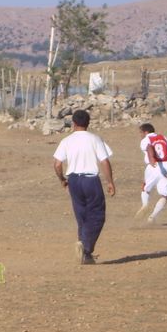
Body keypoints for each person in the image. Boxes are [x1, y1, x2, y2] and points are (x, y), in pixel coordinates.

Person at [53, 110, 116, 265]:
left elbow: (57, 164)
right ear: (88, 123)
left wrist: (62, 179)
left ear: (73, 124)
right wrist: (110, 182)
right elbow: (104, 161)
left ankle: (84, 253)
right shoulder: (95, 139)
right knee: (97, 215)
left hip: (73, 180)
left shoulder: (66, 141)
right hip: (90, 180)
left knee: (81, 216)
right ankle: (85, 248)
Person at [136, 123, 167, 224]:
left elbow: (149, 147)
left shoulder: (146, 139)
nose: (140, 135)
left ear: (146, 132)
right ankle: (152, 216)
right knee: (165, 195)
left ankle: (145, 204)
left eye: (140, 132)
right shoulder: (164, 137)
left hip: (153, 166)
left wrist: (151, 158)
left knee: (145, 188)